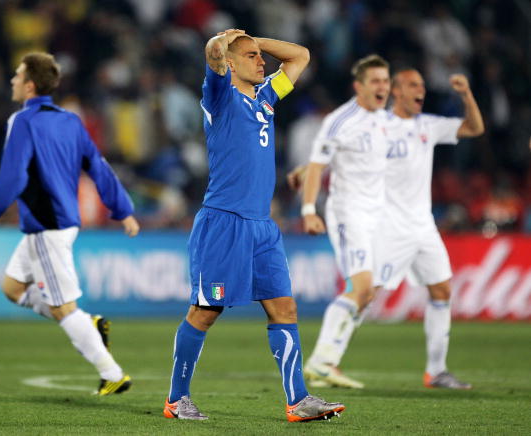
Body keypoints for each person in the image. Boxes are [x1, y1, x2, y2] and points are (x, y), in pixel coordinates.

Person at [163, 29, 345, 422]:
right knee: (205, 312)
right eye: (251, 56)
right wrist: (220, 43)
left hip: (263, 227)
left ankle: (298, 401)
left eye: (260, 55)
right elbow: (212, 56)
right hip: (224, 224)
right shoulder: (220, 97)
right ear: (231, 64)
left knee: (284, 307)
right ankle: (177, 399)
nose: (262, 61)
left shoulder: (265, 98)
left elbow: (300, 55)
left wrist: (255, 41)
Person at [0, 52, 140, 395]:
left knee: (63, 307)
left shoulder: (23, 121)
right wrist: (123, 208)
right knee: (13, 289)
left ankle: (112, 372)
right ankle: (86, 324)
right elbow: (98, 166)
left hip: (47, 226)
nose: (13, 80)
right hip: (56, 222)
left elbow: (10, 180)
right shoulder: (70, 120)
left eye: (17, 75)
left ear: (29, 85)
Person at [373, 68, 483, 388]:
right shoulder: (379, 126)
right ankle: (327, 358)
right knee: (363, 294)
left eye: (422, 83)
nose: (420, 89)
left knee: (441, 291)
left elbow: (475, 127)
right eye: (412, 84)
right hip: (389, 225)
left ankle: (436, 370)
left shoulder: (428, 125)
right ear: (396, 90)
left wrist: (465, 95)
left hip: (424, 226)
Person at [290, 54, 391, 389]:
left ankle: (326, 362)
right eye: (375, 81)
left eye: (385, 81)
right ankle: (322, 361)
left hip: (378, 214)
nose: (383, 87)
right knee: (361, 288)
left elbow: (341, 157)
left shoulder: (385, 120)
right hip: (349, 212)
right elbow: (320, 164)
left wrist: (302, 171)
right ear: (358, 86)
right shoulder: (340, 119)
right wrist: (308, 210)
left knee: (368, 291)